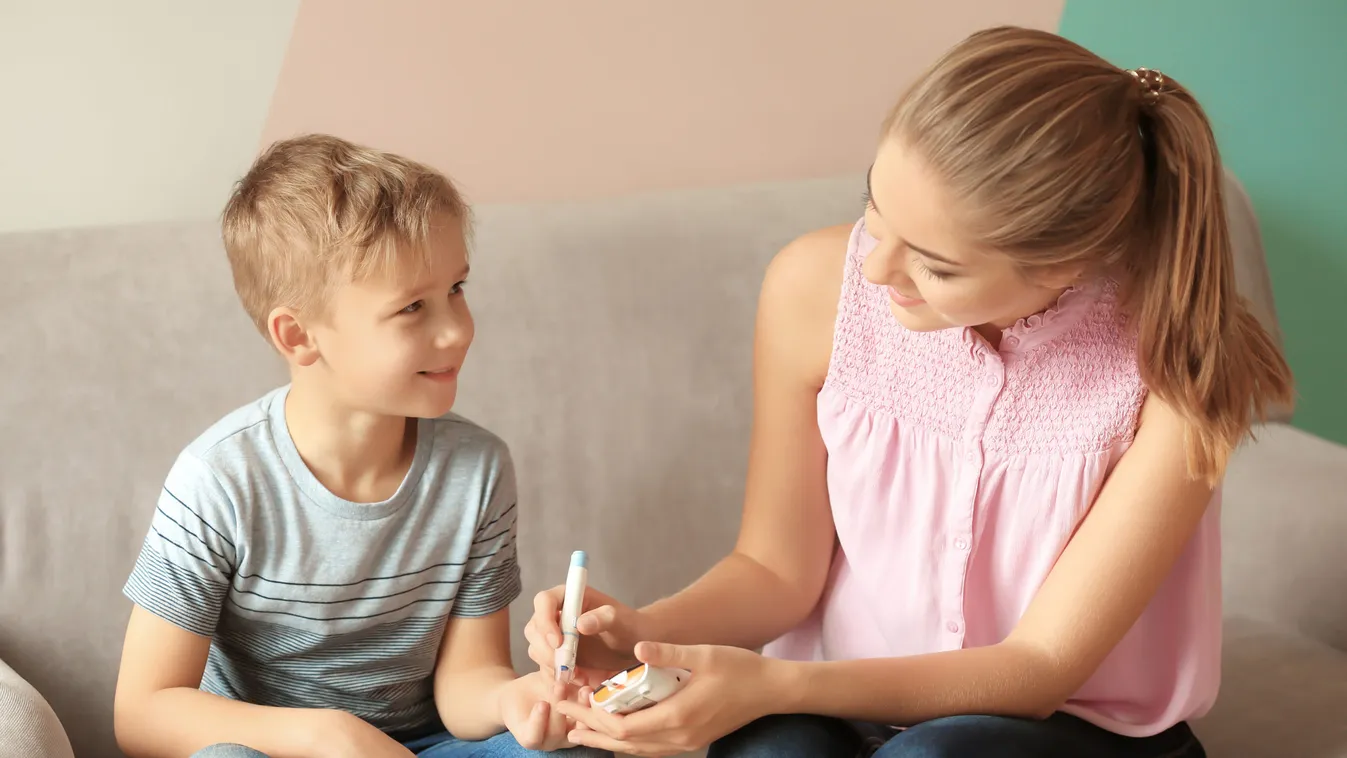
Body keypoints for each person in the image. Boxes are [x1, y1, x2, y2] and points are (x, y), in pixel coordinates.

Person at [524, 26, 1294, 758]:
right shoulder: (811, 288)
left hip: (1070, 730)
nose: (875, 269)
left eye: (935, 264)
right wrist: (638, 632)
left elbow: (1039, 668)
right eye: (873, 207)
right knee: (772, 748)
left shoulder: (1182, 366)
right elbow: (773, 569)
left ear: (1068, 262)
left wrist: (778, 683)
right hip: (837, 703)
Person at [112, 134, 608, 758]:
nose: (456, 330)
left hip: (422, 747)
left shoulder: (478, 470)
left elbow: (465, 684)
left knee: (573, 751)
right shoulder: (218, 480)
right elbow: (143, 712)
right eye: (411, 308)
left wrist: (515, 699)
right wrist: (331, 736)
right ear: (299, 336)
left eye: (456, 289)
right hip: (280, 749)